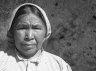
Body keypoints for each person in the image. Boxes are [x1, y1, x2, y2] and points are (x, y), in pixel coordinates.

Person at [0, 3, 72, 71]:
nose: (29, 36)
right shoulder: (2, 61)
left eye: (36, 28)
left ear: (46, 32)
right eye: (22, 28)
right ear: (12, 32)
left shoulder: (59, 65)